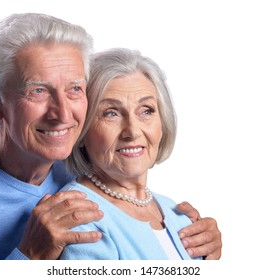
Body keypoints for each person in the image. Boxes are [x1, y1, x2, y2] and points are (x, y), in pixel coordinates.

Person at [0, 13, 221, 260]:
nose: (63, 114)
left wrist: (187, 239)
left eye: (75, 89)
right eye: (38, 91)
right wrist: (29, 256)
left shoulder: (80, 163)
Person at [59, 48, 215, 259]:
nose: (132, 131)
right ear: (81, 131)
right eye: (111, 113)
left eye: (146, 110)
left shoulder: (178, 213)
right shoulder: (79, 218)